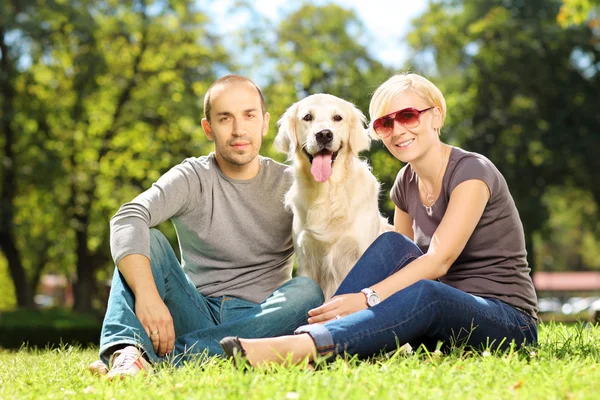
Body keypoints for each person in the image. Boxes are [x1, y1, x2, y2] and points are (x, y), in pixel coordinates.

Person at [219, 72, 538, 366]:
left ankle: (300, 348)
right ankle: (321, 332)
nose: (398, 130)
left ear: (436, 116)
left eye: (409, 116)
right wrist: (364, 302)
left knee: (427, 292)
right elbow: (401, 260)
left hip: (506, 321)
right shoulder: (406, 182)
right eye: (386, 123)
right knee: (391, 244)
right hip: (440, 322)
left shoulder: (472, 171)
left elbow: (438, 262)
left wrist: (367, 298)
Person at [88, 74, 324, 378]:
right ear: (208, 127)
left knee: (307, 290)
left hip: (263, 319)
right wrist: (147, 296)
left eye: (249, 116)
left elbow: (330, 238)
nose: (239, 130)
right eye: (225, 118)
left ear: (264, 123)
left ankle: (148, 357)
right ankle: (127, 350)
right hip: (196, 310)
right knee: (147, 239)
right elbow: (128, 216)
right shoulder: (192, 176)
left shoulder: (292, 183)